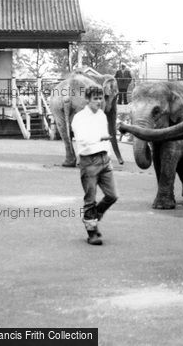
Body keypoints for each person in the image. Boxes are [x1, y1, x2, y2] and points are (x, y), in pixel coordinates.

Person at [71, 84, 118, 245]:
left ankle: (93, 216)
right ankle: (92, 232)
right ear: (87, 100)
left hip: (104, 159)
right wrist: (100, 137)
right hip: (89, 160)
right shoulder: (79, 118)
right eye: (95, 99)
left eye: (101, 98)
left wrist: (108, 154)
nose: (99, 102)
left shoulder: (102, 116)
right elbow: (81, 138)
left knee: (112, 195)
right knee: (90, 198)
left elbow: (106, 137)